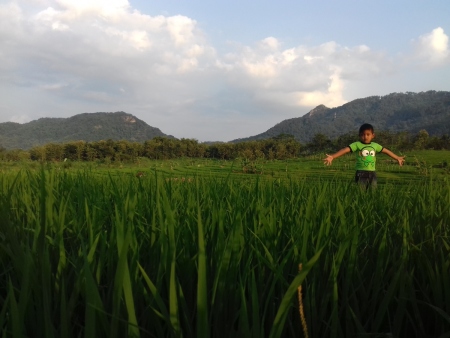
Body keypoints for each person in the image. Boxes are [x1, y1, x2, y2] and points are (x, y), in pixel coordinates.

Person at [323, 123, 405, 188]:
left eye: (368, 134)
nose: (365, 137)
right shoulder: (357, 144)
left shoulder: (375, 145)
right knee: (361, 193)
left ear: (373, 135)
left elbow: (386, 151)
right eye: (362, 134)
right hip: (361, 173)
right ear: (359, 135)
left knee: (372, 192)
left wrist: (397, 157)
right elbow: (345, 150)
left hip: (372, 172)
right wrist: (333, 156)